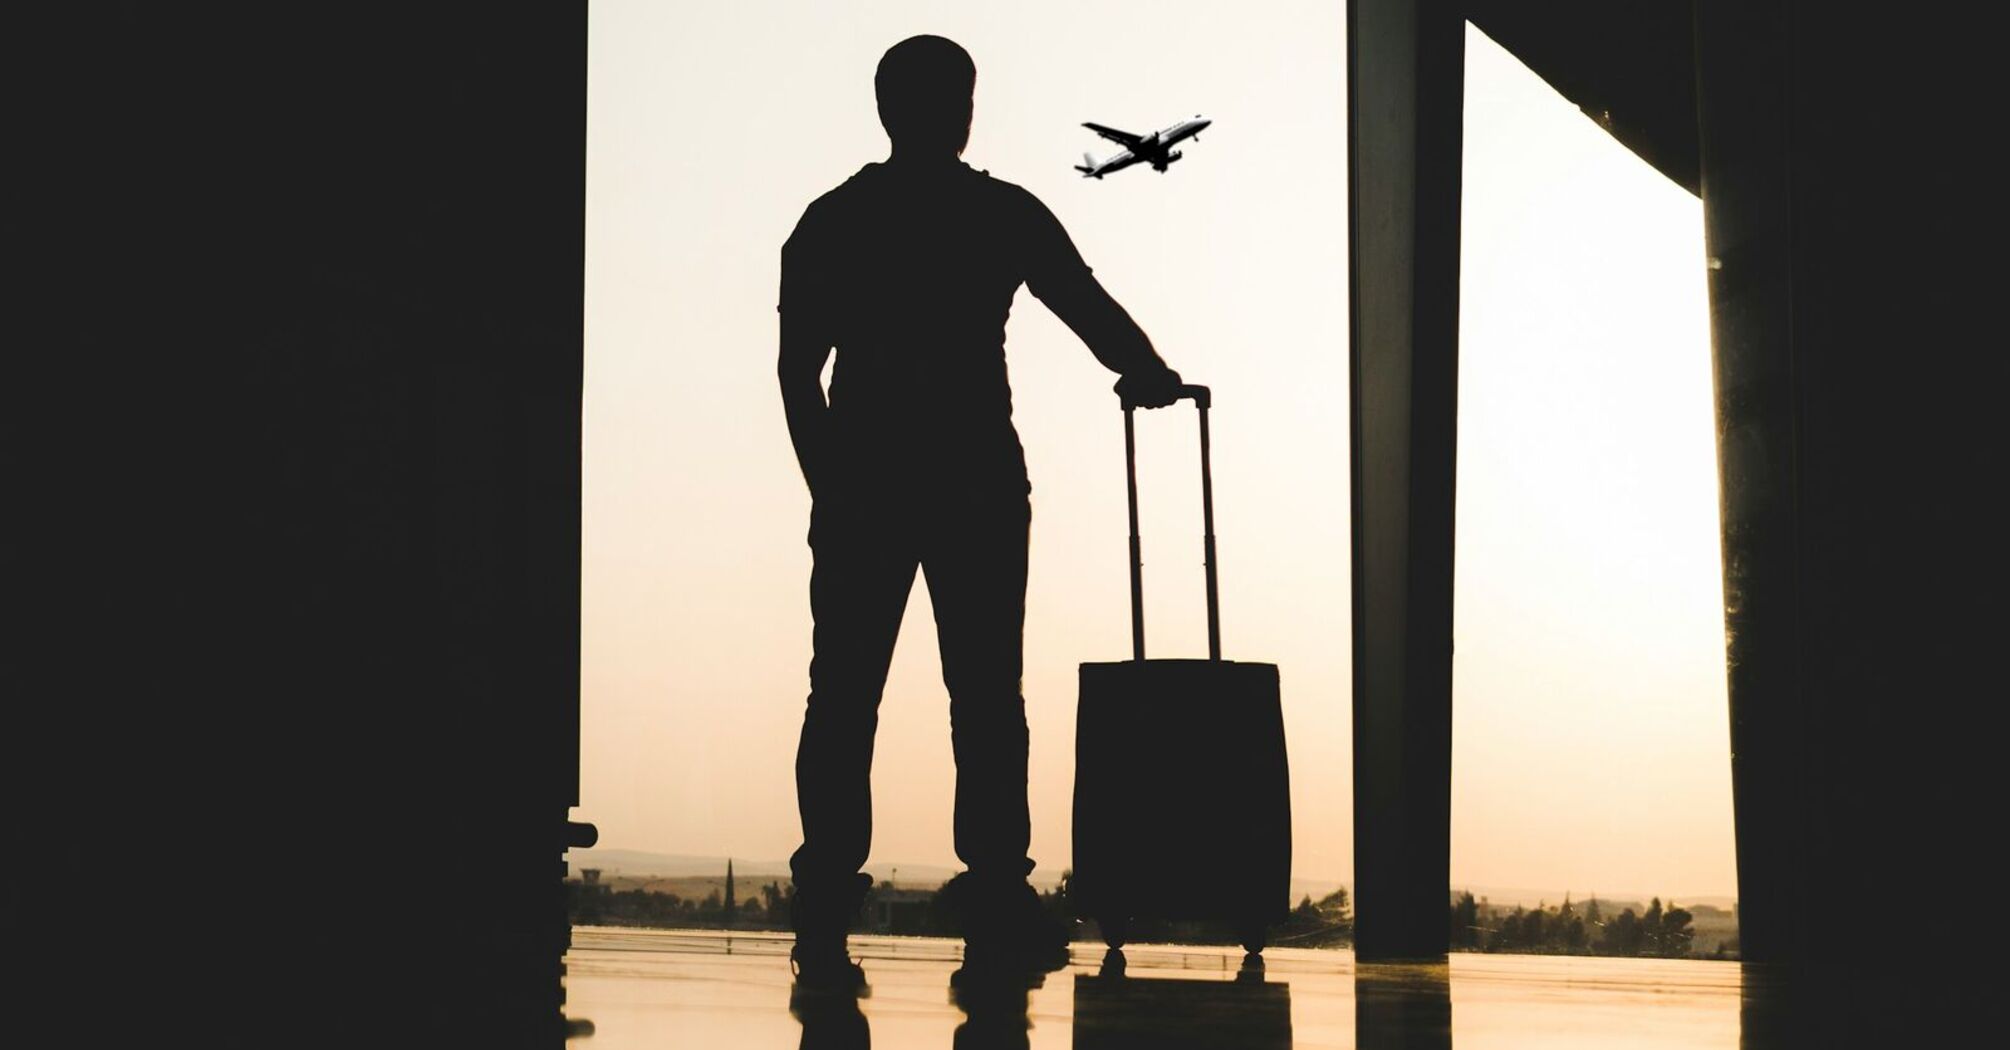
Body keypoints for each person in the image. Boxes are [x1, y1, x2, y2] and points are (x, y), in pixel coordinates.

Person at [778, 34, 1185, 989]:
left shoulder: (834, 221)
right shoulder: (997, 213)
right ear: (962, 110)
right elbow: (1080, 301)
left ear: (885, 111)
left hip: (867, 480)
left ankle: (827, 892)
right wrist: (1149, 372)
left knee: (842, 698)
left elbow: (800, 372)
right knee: (988, 699)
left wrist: (828, 485)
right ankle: (997, 886)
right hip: (975, 481)